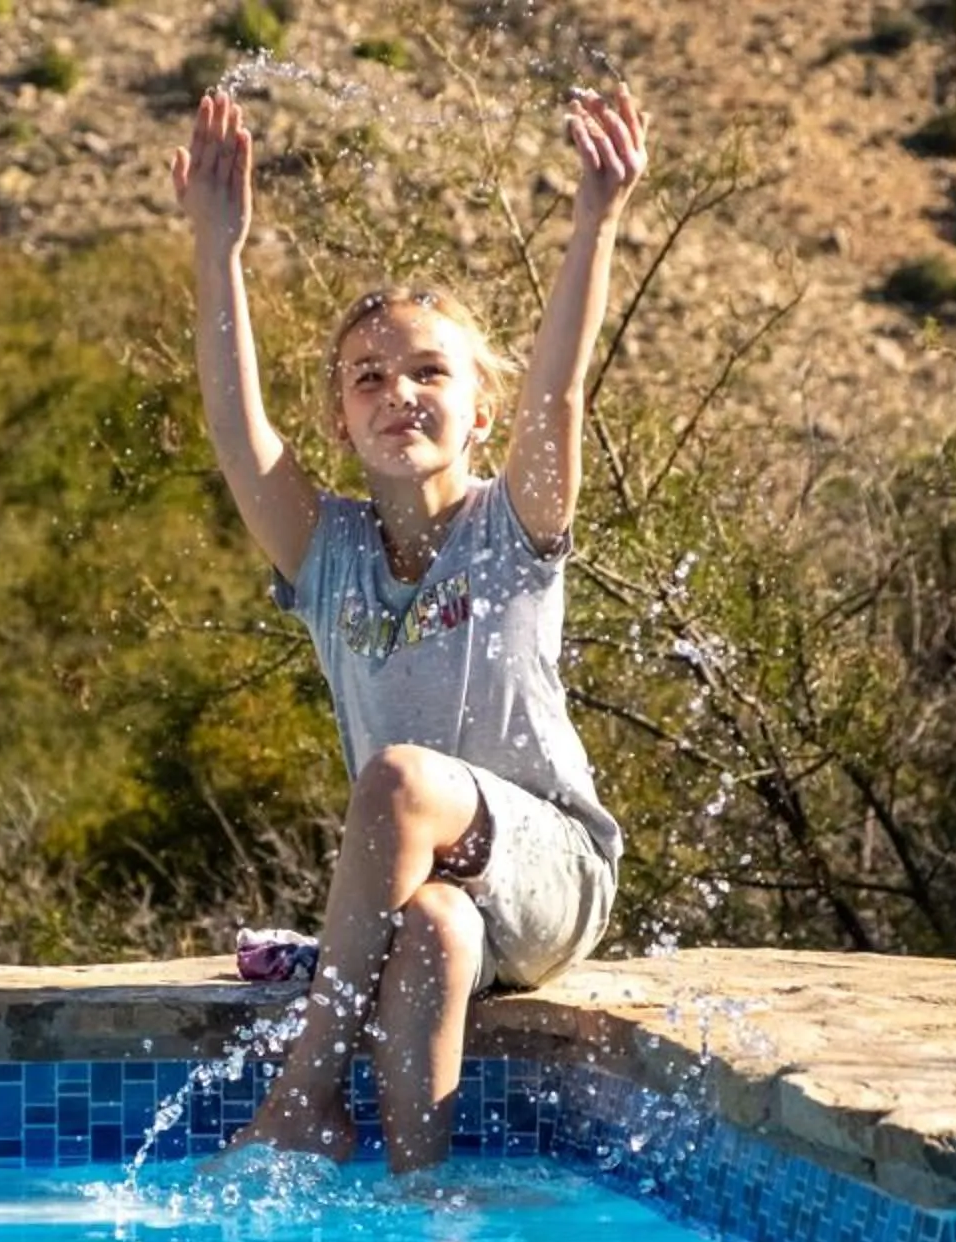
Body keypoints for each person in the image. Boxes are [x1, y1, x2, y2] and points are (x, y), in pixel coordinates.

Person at [169, 81, 646, 1172]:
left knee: (394, 778)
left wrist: (597, 219)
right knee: (431, 931)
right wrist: (217, 250)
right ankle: (419, 1207)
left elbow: (561, 394)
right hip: (455, 896)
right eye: (370, 378)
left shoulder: (513, 526)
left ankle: (305, 1091)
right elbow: (237, 435)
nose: (401, 395)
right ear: (340, 415)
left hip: (556, 873)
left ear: (481, 408)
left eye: (432, 372)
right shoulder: (327, 548)